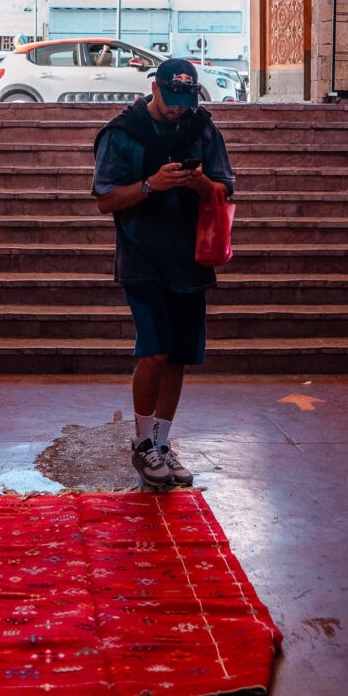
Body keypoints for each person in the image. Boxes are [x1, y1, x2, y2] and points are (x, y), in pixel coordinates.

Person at [92, 57, 236, 489]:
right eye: (170, 100)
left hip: (190, 253)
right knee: (153, 349)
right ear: (153, 89)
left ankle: (162, 441)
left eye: (184, 101)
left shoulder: (202, 127)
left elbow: (225, 187)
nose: (177, 109)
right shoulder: (122, 133)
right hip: (141, 253)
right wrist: (153, 183)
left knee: (178, 356)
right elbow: (105, 200)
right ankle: (142, 444)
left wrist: (200, 185)